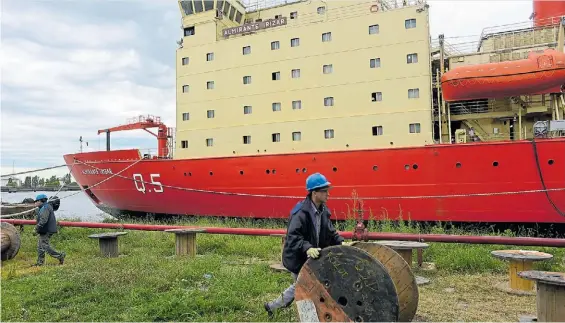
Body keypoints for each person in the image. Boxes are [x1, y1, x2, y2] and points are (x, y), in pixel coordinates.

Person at [264, 172, 344, 317]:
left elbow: (331, 232)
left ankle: (273, 307)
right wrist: (308, 248)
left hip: (312, 257)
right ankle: (304, 316)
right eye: (324, 191)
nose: (328, 194)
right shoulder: (300, 213)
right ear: (314, 192)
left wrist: (342, 242)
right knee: (303, 288)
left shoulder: (323, 211)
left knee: (303, 286)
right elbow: (293, 237)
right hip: (298, 257)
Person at [33, 194, 65, 266]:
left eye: (36, 201)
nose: (35, 203)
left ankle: (60, 255)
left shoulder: (46, 208)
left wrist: (36, 228)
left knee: (44, 246)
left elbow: (43, 220)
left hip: (47, 230)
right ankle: (40, 263)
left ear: (41, 201)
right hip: (45, 229)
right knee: (40, 246)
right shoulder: (44, 207)